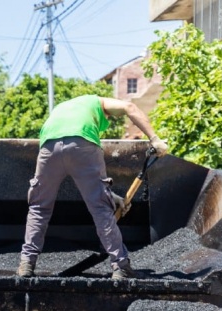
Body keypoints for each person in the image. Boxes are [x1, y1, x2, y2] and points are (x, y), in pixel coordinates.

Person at [17, 95, 169, 279]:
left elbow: (69, 156)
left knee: (39, 208)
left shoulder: (65, 108)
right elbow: (130, 107)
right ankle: (120, 265)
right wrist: (154, 138)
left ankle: (26, 264)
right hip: (83, 144)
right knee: (100, 209)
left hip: (48, 147)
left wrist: (111, 196)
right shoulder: (98, 101)